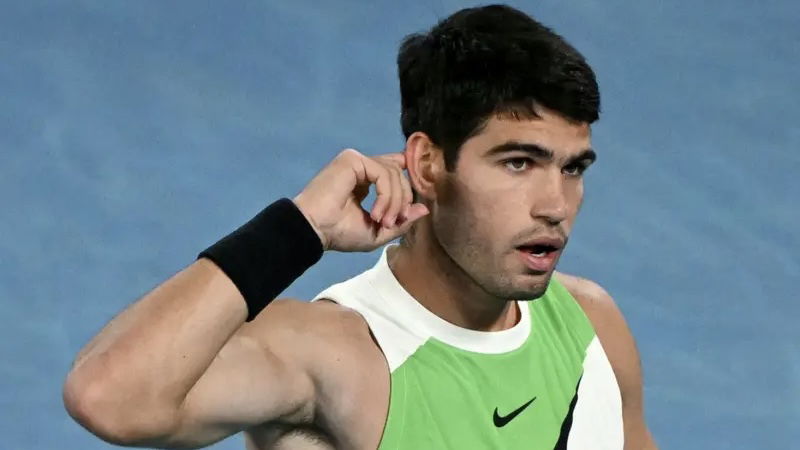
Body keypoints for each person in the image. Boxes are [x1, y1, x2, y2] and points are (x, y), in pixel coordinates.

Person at [63, 4, 657, 449]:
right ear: (428, 163)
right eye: (519, 163)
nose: (556, 204)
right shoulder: (335, 354)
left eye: (573, 168)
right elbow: (108, 398)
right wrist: (298, 229)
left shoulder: (591, 324)